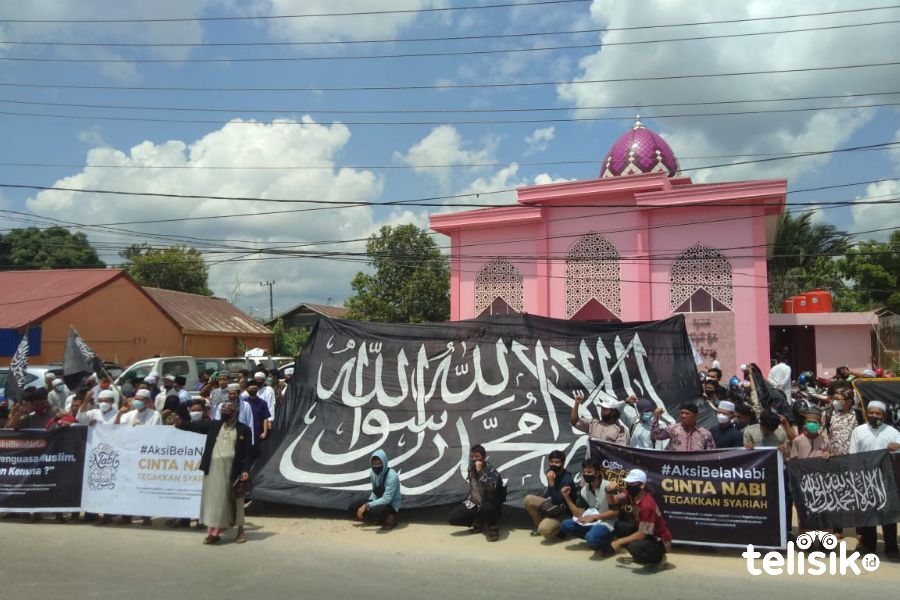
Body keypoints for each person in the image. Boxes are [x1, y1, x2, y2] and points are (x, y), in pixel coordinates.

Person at [193, 398, 254, 545]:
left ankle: (240, 531)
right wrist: (178, 423)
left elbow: (248, 453)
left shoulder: (243, 429)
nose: (224, 414)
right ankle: (213, 533)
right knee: (214, 502)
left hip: (233, 471)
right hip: (213, 470)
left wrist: (245, 470)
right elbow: (195, 426)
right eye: (223, 411)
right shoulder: (215, 425)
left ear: (235, 413)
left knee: (236, 500)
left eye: (227, 411)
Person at [850, 400, 900, 560]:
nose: (873, 415)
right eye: (871, 413)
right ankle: (869, 546)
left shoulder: (893, 433)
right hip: (865, 479)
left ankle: (891, 548)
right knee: (868, 513)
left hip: (886, 480)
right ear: (866, 414)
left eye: (877, 413)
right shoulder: (858, 431)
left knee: (888, 514)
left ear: (884, 416)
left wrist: (897, 447)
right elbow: (853, 454)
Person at [607, 469, 671, 568]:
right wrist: (608, 491)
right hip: (645, 532)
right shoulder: (631, 494)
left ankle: (659, 558)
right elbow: (613, 501)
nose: (628, 486)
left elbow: (642, 534)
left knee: (633, 547)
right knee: (619, 526)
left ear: (641, 485)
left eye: (631, 484)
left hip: (659, 540)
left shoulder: (647, 505)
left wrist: (619, 542)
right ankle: (640, 556)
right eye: (627, 483)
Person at [559, 459, 618, 554]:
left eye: (589, 472)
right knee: (565, 524)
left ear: (597, 473)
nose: (586, 474)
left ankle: (606, 541)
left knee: (591, 538)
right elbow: (578, 514)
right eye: (584, 472)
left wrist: (593, 517)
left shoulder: (608, 486)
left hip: (607, 523)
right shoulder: (584, 490)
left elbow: (615, 512)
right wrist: (566, 497)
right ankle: (594, 536)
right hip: (592, 523)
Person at [447, 444, 504, 542]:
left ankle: (493, 528)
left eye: (477, 457)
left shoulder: (492, 471)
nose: (474, 460)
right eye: (472, 457)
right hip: (474, 501)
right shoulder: (471, 468)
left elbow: (492, 488)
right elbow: (473, 486)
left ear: (484, 457)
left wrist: (481, 471)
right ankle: (478, 520)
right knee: (453, 518)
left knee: (487, 506)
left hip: (489, 502)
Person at [523, 450, 576, 539]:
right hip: (553, 507)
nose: (553, 464)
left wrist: (551, 482)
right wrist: (542, 502)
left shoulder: (567, 480)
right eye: (551, 462)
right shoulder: (552, 473)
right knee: (528, 499)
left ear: (563, 463)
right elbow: (549, 493)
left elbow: (557, 500)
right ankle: (539, 525)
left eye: (557, 462)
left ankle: (560, 529)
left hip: (564, 512)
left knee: (545, 529)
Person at [349, 449, 401, 530]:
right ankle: (376, 519)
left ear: (384, 463)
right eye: (375, 464)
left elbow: (387, 499)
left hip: (391, 503)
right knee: (353, 507)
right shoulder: (372, 473)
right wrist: (369, 502)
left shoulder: (392, 476)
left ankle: (390, 517)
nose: (377, 466)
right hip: (378, 499)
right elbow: (375, 490)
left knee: (374, 511)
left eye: (379, 464)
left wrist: (367, 505)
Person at [651, 403, 716, 451]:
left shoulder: (705, 434)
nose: (683, 416)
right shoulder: (673, 429)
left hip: (695, 467)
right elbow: (656, 436)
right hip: (676, 467)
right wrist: (656, 417)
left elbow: (710, 454)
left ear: (695, 415)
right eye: (682, 413)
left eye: (687, 413)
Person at [825, 389, 859, 456]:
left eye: (837, 399)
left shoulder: (858, 416)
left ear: (849, 401)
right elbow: (829, 435)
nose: (834, 401)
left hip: (851, 459)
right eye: (834, 398)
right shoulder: (830, 414)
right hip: (832, 458)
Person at [242, 384, 272, 448]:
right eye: (251, 388)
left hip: (258, 431)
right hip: (246, 431)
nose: (253, 390)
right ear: (247, 389)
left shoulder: (263, 403)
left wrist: (265, 432)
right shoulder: (244, 402)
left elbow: (265, 418)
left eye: (255, 388)